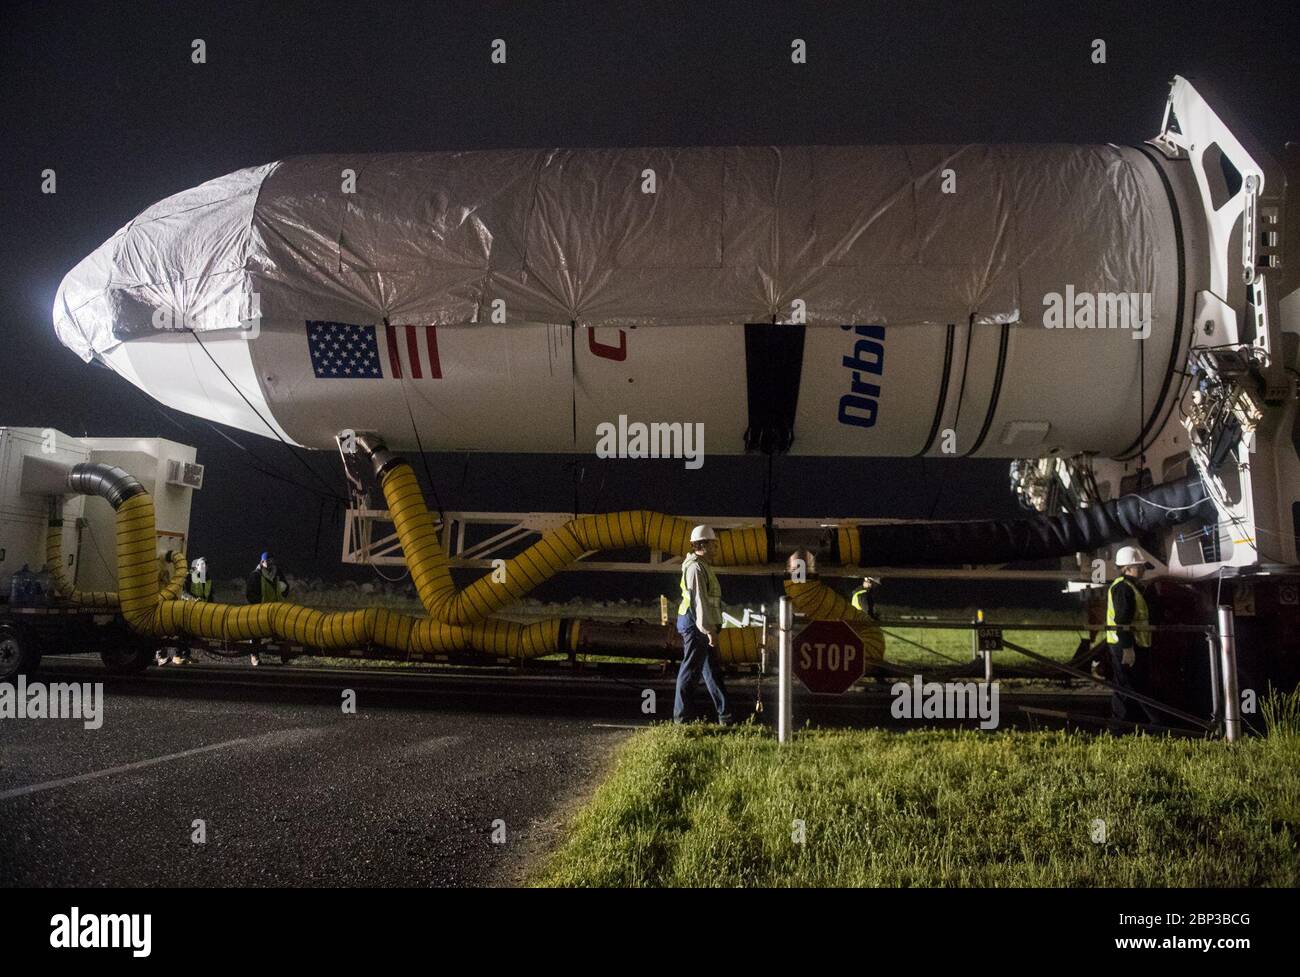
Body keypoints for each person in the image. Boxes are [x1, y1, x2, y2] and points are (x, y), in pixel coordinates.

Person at [674, 525, 732, 725]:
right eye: (714, 544)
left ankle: (726, 716)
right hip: (696, 626)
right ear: (703, 544)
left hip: (701, 626)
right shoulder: (695, 568)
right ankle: (682, 720)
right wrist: (709, 631)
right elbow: (699, 601)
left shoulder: (703, 566)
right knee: (690, 672)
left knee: (712, 672)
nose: (717, 548)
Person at [1106, 545, 1158, 728]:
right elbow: (1122, 621)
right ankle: (1153, 724)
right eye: (1140, 567)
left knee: (1127, 687)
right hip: (1126, 646)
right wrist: (1128, 649)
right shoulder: (1123, 589)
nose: (1143, 570)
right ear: (1127, 568)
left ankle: (1125, 726)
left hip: (1132, 645)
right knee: (1132, 687)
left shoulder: (1130, 587)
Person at [246, 552, 289, 666]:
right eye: (267, 561)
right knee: (256, 634)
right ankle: (254, 656)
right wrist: (258, 605)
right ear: (262, 562)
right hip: (260, 611)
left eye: (271, 560)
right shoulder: (255, 575)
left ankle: (283, 656)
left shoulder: (278, 573)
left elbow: (286, 588)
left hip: (275, 610)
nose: (270, 563)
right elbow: (250, 594)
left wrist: (284, 590)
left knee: (280, 634)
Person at [169, 557, 213, 665]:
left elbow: (210, 595)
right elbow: (183, 592)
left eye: (205, 566)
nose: (203, 567)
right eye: (201, 565)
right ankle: (177, 655)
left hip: (200, 610)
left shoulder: (207, 579)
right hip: (187, 609)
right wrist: (193, 600)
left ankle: (186, 655)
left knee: (191, 634)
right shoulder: (189, 576)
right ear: (196, 566)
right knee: (183, 632)